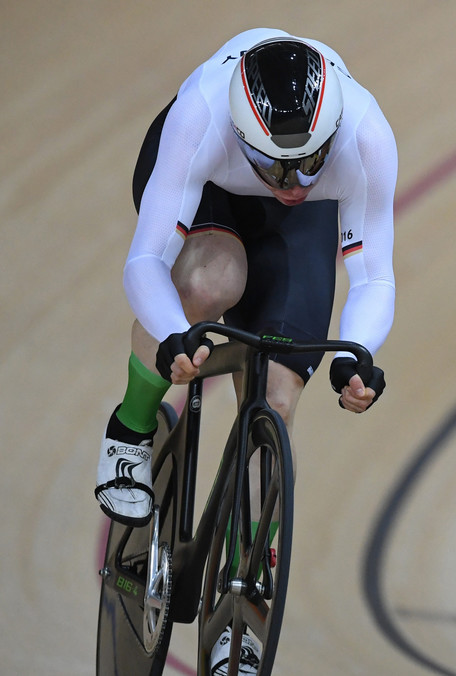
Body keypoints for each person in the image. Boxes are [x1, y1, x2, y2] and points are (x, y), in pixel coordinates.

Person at [94, 29, 397, 674]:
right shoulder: (201, 116)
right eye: (276, 166)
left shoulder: (365, 135)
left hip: (300, 222)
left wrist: (358, 354)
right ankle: (132, 424)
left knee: (277, 400)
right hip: (211, 187)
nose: (290, 182)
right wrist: (175, 329)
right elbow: (146, 260)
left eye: (307, 163)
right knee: (211, 284)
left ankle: (242, 591)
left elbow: (373, 275)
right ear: (243, 135)